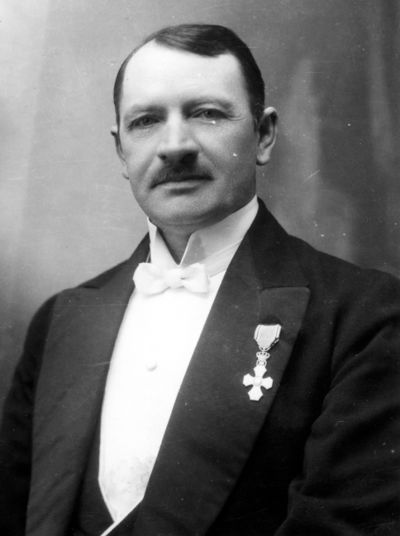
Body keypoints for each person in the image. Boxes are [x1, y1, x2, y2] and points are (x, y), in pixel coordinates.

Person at [0, 23, 399, 536]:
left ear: (263, 135)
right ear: (121, 151)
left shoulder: (364, 317)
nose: (175, 145)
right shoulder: (61, 320)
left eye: (207, 113)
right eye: (146, 121)